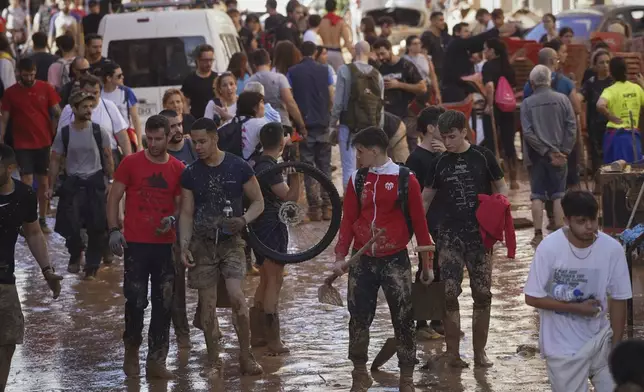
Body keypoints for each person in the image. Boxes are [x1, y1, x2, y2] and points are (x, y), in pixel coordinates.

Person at [333, 126, 435, 392]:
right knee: (357, 318)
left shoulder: (405, 178)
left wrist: (427, 265)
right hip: (362, 259)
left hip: (395, 259)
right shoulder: (357, 179)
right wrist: (340, 256)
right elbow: (348, 220)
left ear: (375, 150)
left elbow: (420, 222)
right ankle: (359, 374)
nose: (357, 157)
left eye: (360, 151)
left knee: (403, 318)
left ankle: (406, 378)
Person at [178, 118, 265, 379]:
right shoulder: (190, 173)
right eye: (194, 142)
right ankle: (214, 359)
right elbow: (186, 213)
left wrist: (244, 220)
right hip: (202, 245)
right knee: (207, 305)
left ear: (215, 138)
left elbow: (258, 202)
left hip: (232, 243)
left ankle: (246, 354)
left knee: (237, 296)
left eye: (202, 141)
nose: (198, 147)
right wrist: (183, 246)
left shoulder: (238, 166)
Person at [422, 110, 507, 368]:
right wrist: (418, 233)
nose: (447, 143)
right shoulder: (438, 163)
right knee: (448, 294)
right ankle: (453, 353)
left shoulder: (484, 156)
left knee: (482, 294)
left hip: (479, 237)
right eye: (443, 137)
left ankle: (480, 352)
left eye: (452, 137)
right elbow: (425, 198)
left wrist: (500, 208)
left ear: (464, 132)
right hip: (448, 237)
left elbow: (501, 187)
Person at [524, 190, 631, 392]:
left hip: (601, 340)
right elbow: (532, 296)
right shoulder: (549, 248)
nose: (589, 227)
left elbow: (619, 298)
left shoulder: (612, 249)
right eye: (581, 221)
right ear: (566, 220)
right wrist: (577, 308)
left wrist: (615, 346)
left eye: (593, 220)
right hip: (562, 348)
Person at [107, 115, 185, 379]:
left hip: (164, 245)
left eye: (158, 139)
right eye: (148, 139)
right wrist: (114, 230)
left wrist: (172, 219)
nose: (152, 144)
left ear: (168, 137)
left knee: (164, 303)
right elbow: (114, 196)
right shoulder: (130, 163)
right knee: (136, 301)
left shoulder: (177, 168)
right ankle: (131, 352)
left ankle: (157, 360)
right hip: (136, 245)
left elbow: (181, 206)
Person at [0, 144, 63, 392]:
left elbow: (34, 233)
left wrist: (47, 271)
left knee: (8, 341)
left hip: (4, 279)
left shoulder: (25, 196)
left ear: (10, 168)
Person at [47, 91, 114, 279]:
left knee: (97, 226)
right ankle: (76, 254)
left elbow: (108, 156)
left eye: (90, 106)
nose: (88, 110)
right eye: (84, 107)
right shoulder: (65, 133)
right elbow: (54, 160)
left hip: (95, 182)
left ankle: (92, 267)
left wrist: (111, 181)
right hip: (73, 184)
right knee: (71, 225)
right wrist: (50, 187)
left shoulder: (98, 130)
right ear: (74, 109)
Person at [249, 122, 300, 355]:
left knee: (265, 279)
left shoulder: (259, 161)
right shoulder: (269, 166)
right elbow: (289, 199)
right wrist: (297, 175)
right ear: (282, 142)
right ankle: (273, 340)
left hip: (259, 226)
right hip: (270, 226)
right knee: (274, 280)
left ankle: (257, 335)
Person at [0, 58, 61, 234]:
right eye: (26, 74)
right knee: (26, 182)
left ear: (35, 71)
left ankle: (41, 218)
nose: (29, 77)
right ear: (19, 73)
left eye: (32, 73)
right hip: (22, 143)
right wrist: (1, 138)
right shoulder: (11, 93)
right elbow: (4, 117)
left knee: (43, 181)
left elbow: (57, 111)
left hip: (44, 142)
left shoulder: (46, 88)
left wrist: (57, 133)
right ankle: (28, 220)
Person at [524, 48, 582, 228]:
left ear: (533, 82)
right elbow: (573, 123)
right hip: (560, 153)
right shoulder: (563, 98)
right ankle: (561, 232)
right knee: (559, 194)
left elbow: (527, 132)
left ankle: (538, 234)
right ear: (549, 79)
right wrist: (564, 151)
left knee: (537, 195)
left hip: (536, 156)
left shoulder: (527, 101)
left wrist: (545, 151)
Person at [405, 106, 445, 339]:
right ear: (430, 129)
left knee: (442, 269)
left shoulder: (444, 153)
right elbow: (415, 196)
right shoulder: (416, 158)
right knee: (426, 268)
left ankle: (438, 320)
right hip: (427, 222)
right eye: (443, 125)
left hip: (444, 220)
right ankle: (420, 323)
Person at [287, 41, 333, 220]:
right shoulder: (325, 70)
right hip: (322, 123)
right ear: (315, 52)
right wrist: (327, 114)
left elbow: (290, 98)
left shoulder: (292, 72)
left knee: (308, 167)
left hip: (304, 126)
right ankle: (328, 206)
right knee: (325, 165)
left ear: (300, 52)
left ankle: (314, 207)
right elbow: (331, 95)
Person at [330, 40, 384, 191]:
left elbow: (338, 103)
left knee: (348, 168)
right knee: (369, 169)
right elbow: (380, 107)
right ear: (369, 52)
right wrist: (379, 131)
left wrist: (332, 124)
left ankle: (350, 208)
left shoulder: (344, 70)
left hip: (349, 125)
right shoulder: (377, 75)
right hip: (370, 127)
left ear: (355, 51)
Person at [58, 74, 131, 168]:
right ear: (80, 91)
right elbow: (60, 138)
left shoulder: (109, 106)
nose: (91, 96)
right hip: (77, 158)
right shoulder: (69, 109)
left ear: (100, 92)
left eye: (95, 93)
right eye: (87, 92)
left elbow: (122, 137)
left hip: (107, 157)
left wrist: (129, 161)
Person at [373, 38, 426, 153]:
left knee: (411, 148)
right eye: (378, 55)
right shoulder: (380, 68)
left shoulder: (406, 65)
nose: (380, 57)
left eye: (383, 53)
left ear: (390, 50)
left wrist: (399, 85)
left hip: (407, 114)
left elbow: (422, 88)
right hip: (389, 117)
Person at [481, 38, 518, 188]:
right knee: (509, 142)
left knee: (491, 142)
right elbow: (513, 89)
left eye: (486, 49)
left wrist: (489, 105)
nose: (484, 52)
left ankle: (496, 179)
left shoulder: (488, 66)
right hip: (508, 108)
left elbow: (489, 86)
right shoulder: (508, 66)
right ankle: (514, 180)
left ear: (492, 51)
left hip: (494, 108)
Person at [247, 49, 306, 136]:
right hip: (282, 124)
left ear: (254, 65)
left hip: (260, 127)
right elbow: (290, 103)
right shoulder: (280, 78)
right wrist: (301, 126)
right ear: (269, 62)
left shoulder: (249, 82)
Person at [597, 56, 644, 164]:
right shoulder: (636, 88)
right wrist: (642, 83)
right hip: (632, 137)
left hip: (614, 137)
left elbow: (600, 105)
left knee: (614, 174)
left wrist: (609, 115)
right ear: (626, 71)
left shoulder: (610, 90)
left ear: (611, 73)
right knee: (634, 172)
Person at [581, 50, 613, 175]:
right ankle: (599, 185)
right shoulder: (590, 83)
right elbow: (581, 96)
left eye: (608, 62)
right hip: (595, 124)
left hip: (612, 124)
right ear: (595, 66)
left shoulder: (614, 82)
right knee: (596, 155)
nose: (605, 65)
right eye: (601, 63)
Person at [102, 62, 142, 151]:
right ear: (108, 78)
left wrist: (139, 144)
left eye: (122, 74)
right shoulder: (99, 94)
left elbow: (135, 118)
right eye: (119, 76)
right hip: (106, 137)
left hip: (125, 135)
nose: (123, 77)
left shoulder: (126, 92)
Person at [181, 44, 217, 119]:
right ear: (198, 60)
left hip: (216, 121)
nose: (209, 63)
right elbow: (185, 104)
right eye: (205, 60)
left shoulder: (217, 78)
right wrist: (189, 121)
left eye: (211, 60)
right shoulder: (190, 80)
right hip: (198, 122)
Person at [403, 35, 441, 105]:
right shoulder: (404, 60)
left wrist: (437, 93)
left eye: (419, 43)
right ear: (408, 46)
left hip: (427, 89)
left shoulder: (425, 58)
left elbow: (432, 76)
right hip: (412, 90)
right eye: (415, 44)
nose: (418, 45)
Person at [318, 0, 352, 72]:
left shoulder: (321, 22)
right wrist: (352, 53)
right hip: (337, 52)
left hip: (325, 53)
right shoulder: (340, 21)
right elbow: (347, 41)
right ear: (335, 8)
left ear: (325, 8)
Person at [421, 13, 446, 82]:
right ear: (433, 21)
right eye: (441, 20)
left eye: (443, 20)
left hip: (441, 73)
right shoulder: (427, 36)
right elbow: (424, 55)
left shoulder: (440, 36)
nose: (443, 22)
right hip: (433, 74)